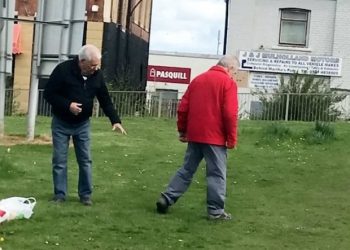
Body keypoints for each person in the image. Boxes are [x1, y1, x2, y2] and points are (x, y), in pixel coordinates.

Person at [156, 55, 239, 220]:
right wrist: (231, 138)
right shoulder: (228, 83)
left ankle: (167, 197)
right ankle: (215, 211)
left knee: (186, 169)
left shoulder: (197, 80)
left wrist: (182, 130)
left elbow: (183, 108)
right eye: (234, 72)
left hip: (195, 134)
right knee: (216, 173)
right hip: (215, 137)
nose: (233, 76)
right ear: (229, 68)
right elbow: (230, 113)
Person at [44, 44, 127, 206]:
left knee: (85, 160)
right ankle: (60, 195)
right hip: (61, 122)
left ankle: (86, 195)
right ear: (81, 62)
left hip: (82, 124)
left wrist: (115, 120)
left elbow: (105, 99)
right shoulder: (63, 70)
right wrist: (68, 105)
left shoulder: (97, 76)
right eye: (92, 65)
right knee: (59, 160)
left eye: (97, 66)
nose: (95, 69)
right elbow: (49, 94)